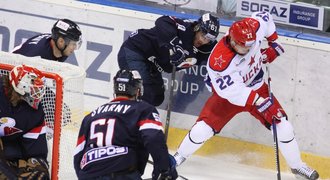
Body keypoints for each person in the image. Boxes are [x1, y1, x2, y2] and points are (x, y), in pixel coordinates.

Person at [173, 11, 319, 180]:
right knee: (201, 131)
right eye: (244, 46)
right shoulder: (219, 61)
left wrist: (274, 44)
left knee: (284, 128)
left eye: (252, 45)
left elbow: (265, 16)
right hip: (228, 97)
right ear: (233, 41)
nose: (249, 49)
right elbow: (231, 92)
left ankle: (297, 167)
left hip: (258, 87)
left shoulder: (253, 28)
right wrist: (260, 102)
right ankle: (179, 156)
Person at [73, 69, 178, 180]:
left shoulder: (91, 116)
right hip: (123, 173)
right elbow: (153, 138)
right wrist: (165, 169)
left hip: (89, 174)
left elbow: (78, 155)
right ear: (138, 91)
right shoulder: (143, 109)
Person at [118, 13, 220, 106]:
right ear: (197, 27)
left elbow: (221, 55)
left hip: (152, 63)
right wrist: (175, 44)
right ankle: (123, 118)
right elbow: (162, 21)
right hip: (135, 51)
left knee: (156, 97)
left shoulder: (208, 48)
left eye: (208, 39)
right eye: (203, 35)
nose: (203, 40)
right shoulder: (185, 28)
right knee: (145, 92)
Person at [0, 65, 49, 179]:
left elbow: (37, 151)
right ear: (20, 87)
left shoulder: (35, 113)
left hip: (9, 148)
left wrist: (38, 164)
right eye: (34, 89)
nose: (37, 94)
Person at [12, 18, 82, 62]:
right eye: (73, 44)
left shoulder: (61, 48)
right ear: (61, 41)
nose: (74, 48)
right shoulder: (36, 57)